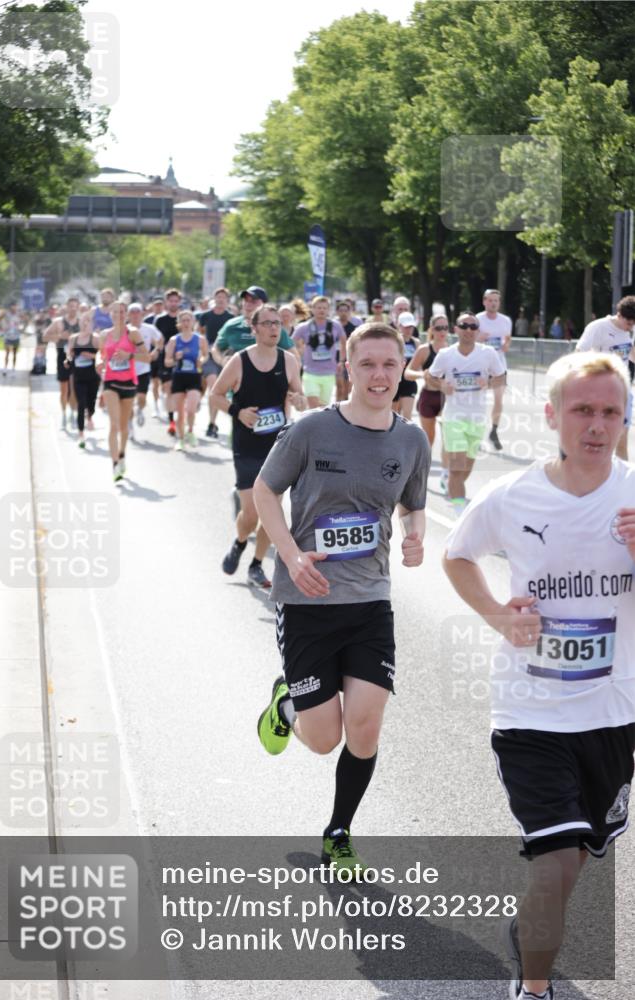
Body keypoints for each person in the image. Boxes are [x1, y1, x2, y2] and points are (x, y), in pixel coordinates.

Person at [443, 350, 635, 1000]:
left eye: (610, 411)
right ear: (551, 414)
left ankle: (530, 931)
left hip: (613, 715)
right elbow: (457, 554)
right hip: (530, 712)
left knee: (574, 859)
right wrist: (499, 616)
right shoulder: (513, 494)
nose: (596, 425)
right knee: (552, 864)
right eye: (582, 410)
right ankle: (531, 989)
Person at [253, 321, 430, 876]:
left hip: (370, 600)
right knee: (324, 739)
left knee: (366, 725)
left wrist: (416, 532)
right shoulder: (310, 431)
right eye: (368, 364)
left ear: (402, 369)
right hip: (307, 601)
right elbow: (264, 490)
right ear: (346, 368)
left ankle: (339, 831)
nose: (380, 376)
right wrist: (290, 554)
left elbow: (412, 501)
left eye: (389, 365)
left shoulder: (411, 439)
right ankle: (288, 705)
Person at [211, 303, 306, 588]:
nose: (274, 328)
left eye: (277, 323)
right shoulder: (239, 361)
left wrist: (299, 399)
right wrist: (238, 412)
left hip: (277, 444)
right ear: (254, 329)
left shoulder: (289, 361)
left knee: (272, 511)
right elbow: (215, 395)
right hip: (246, 443)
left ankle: (256, 564)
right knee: (251, 513)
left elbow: (297, 394)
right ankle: (240, 542)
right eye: (267, 324)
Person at [427, 310, 506, 514]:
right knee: (457, 466)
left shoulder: (488, 353)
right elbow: (430, 377)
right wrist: (442, 385)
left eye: (473, 326)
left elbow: (501, 378)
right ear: (456, 329)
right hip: (454, 417)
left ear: (478, 331)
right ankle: (459, 512)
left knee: (466, 468)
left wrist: (487, 383)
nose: (468, 330)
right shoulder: (446, 354)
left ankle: (453, 487)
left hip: (477, 418)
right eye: (464, 326)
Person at [575, 294, 635, 461]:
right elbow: (579, 353)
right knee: (597, 438)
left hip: (622, 390)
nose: (630, 328)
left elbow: (632, 355)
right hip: (598, 390)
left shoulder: (632, 330)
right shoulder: (598, 327)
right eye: (629, 323)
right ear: (619, 315)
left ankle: (625, 483)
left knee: (622, 438)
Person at [98, 301, 149, 481]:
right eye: (115, 312)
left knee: (124, 425)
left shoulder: (132, 333)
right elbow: (101, 354)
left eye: (121, 312)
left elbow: (147, 357)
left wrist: (130, 355)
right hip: (111, 383)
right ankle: (114, 464)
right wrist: (99, 361)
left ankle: (122, 454)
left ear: (125, 315)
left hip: (128, 383)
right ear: (110, 314)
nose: (118, 315)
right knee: (114, 424)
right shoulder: (104, 335)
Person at [407, 314, 450, 492]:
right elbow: (408, 372)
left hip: (447, 399)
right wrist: (421, 374)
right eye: (438, 328)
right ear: (431, 330)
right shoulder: (425, 350)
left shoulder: (452, 350)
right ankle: (419, 475)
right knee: (428, 439)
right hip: (428, 397)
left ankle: (445, 476)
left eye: (445, 328)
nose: (442, 332)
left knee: (448, 438)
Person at [164, 309, 208, 451]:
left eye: (189, 320)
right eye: (183, 320)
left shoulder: (200, 339)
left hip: (194, 376)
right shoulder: (174, 340)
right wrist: (174, 358)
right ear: (179, 323)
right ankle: (181, 439)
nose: (186, 323)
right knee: (180, 412)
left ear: (193, 322)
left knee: (191, 409)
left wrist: (201, 360)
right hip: (179, 376)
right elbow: (167, 362)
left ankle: (190, 432)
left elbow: (206, 356)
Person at [294, 295, 346, 409]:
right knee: (313, 407)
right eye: (318, 307)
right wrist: (298, 354)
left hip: (329, 373)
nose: (321, 310)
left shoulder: (336, 326)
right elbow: (291, 343)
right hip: (310, 374)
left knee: (323, 408)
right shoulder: (304, 327)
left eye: (324, 308)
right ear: (312, 309)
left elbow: (344, 342)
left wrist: (341, 361)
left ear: (328, 310)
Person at [476, 288, 512, 451]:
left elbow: (508, 339)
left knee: (499, 399)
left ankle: (494, 431)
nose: (493, 303)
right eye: (490, 300)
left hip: (499, 364)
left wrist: (506, 345)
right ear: (484, 301)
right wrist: (479, 338)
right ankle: (475, 432)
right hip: (481, 365)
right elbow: (469, 339)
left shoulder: (505, 320)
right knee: (478, 400)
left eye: (496, 301)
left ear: (499, 303)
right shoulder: (478, 319)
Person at [198, 287, 233, 438]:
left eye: (223, 297)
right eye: (218, 297)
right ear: (214, 299)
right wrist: (205, 348)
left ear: (227, 300)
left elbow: (233, 338)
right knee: (213, 386)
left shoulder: (231, 318)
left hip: (224, 357)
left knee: (218, 391)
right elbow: (199, 334)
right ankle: (198, 401)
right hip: (209, 355)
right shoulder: (205, 315)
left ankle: (212, 423)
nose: (220, 300)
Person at [65, 311, 101, 448]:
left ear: (91, 324)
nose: (85, 324)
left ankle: (90, 415)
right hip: (78, 376)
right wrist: (67, 360)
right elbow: (69, 354)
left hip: (93, 376)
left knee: (91, 403)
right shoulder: (73, 338)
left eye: (88, 322)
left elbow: (102, 355)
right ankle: (81, 434)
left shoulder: (96, 338)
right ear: (80, 323)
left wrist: (90, 355)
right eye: (83, 321)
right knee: (81, 403)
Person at [43, 298, 81, 428]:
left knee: (75, 388)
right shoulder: (58, 322)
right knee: (64, 389)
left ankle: (73, 414)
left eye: (75, 306)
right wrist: (59, 336)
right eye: (71, 306)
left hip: (77, 358)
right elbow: (45, 336)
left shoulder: (82, 323)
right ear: (67, 307)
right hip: (62, 356)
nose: (73, 309)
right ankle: (64, 414)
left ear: (78, 308)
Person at [129, 303, 163, 432]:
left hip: (143, 368)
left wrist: (156, 351)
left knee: (141, 398)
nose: (135, 315)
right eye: (132, 312)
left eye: (137, 312)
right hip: (128, 370)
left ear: (142, 314)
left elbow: (160, 340)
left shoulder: (149, 328)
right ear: (128, 315)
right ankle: (130, 425)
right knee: (130, 400)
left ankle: (140, 410)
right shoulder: (124, 330)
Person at [154, 288, 183, 436]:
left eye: (176, 301)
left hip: (184, 361)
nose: (173, 303)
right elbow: (156, 341)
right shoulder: (160, 320)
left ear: (179, 302)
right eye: (171, 300)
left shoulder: (184, 319)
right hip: (165, 360)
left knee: (181, 392)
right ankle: (172, 421)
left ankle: (181, 416)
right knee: (168, 389)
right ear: (167, 302)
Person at [392, 311, 420, 420]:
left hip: (409, 382)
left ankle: (406, 436)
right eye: (406, 327)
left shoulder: (416, 342)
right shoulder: (393, 341)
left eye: (411, 327)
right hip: (395, 382)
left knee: (407, 417)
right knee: (393, 416)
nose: (409, 330)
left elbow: (419, 363)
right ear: (399, 326)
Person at [335, 300, 361, 402]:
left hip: (350, 360)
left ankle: (345, 406)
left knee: (347, 389)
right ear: (337, 312)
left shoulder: (354, 328)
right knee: (339, 387)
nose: (343, 313)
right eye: (341, 310)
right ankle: (337, 409)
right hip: (336, 360)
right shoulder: (333, 327)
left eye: (346, 310)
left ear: (350, 312)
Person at [0, 304, 22, 376]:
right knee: (7, 353)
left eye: (15, 307)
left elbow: (23, 323)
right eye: (13, 307)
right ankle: (5, 368)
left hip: (16, 336)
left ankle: (13, 369)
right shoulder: (6, 315)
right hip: (8, 336)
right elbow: (0, 321)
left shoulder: (18, 315)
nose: (14, 308)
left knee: (15, 354)